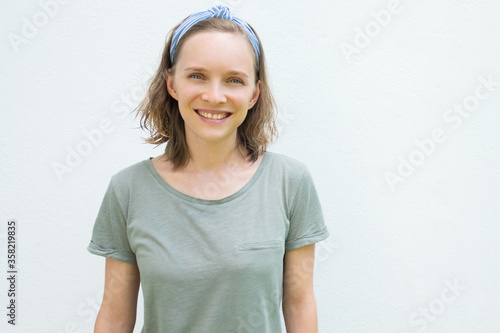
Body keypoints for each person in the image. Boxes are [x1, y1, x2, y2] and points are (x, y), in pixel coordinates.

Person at [87, 5, 330, 333]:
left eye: (234, 80)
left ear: (254, 93)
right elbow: (115, 315)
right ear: (172, 84)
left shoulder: (290, 183)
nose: (214, 96)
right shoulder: (127, 190)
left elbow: (300, 303)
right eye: (197, 76)